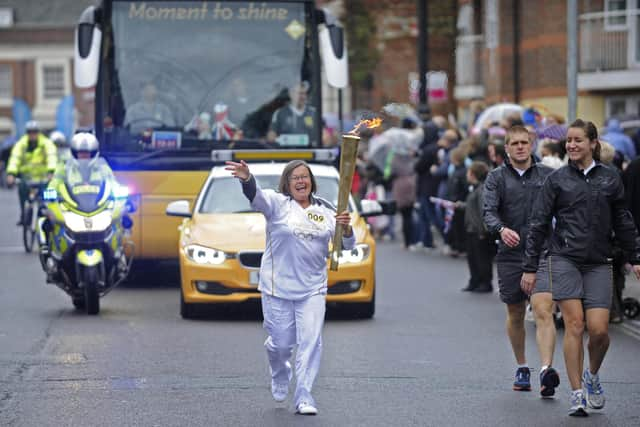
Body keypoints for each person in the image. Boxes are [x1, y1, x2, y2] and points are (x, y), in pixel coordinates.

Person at [521, 119, 640, 416]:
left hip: (599, 261)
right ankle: (577, 393)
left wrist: (635, 256)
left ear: (593, 143)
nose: (572, 145)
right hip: (565, 259)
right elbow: (537, 223)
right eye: (569, 141)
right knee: (575, 324)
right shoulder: (557, 180)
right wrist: (531, 266)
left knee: (599, 331)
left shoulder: (611, 178)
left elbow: (622, 220)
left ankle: (592, 377)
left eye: (578, 140)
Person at [224, 159, 354, 416]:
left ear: (311, 181)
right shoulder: (277, 204)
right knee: (281, 344)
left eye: (305, 176)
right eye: (295, 177)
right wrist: (247, 180)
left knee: (310, 341)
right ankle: (280, 372)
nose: (301, 181)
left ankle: (304, 395)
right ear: (287, 182)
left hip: (313, 287)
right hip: (277, 287)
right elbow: (256, 197)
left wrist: (346, 228)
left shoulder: (327, 210)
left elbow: (347, 246)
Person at [483, 125, 559, 397]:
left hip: (542, 252)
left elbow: (564, 210)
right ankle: (522, 366)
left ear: (532, 144)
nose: (520, 147)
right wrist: (502, 229)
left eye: (524, 143)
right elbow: (488, 212)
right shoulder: (496, 178)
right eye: (514, 143)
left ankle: (546, 370)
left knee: (542, 309)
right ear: (506, 148)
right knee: (515, 312)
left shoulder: (548, 176)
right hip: (510, 253)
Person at [6, 120, 57, 225]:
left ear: (38, 132)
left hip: (43, 178)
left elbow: (52, 156)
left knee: (48, 197)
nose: (32, 134)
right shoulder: (21, 144)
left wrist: (51, 171)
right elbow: (15, 158)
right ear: (27, 133)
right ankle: (24, 214)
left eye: (34, 132)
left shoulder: (46, 143)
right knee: (22, 191)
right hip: (27, 178)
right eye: (30, 132)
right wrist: (11, 173)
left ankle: (48, 216)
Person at [460, 161, 494, 292]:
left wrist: (484, 230)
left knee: (482, 258)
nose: (467, 175)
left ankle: (485, 282)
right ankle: (474, 280)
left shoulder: (482, 190)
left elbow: (482, 210)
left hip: (478, 230)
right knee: (472, 257)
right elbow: (471, 207)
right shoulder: (474, 188)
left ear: (474, 174)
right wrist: (460, 205)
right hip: (470, 229)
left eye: (469, 172)